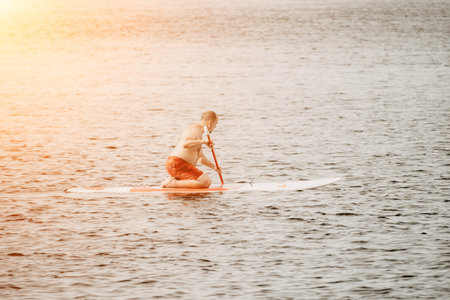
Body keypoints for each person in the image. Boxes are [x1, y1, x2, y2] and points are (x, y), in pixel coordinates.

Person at [160, 111, 222, 188]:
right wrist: (203, 142)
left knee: (205, 181)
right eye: (215, 124)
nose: (215, 127)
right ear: (210, 122)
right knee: (206, 182)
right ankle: (172, 183)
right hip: (177, 163)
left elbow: (200, 158)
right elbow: (185, 144)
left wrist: (214, 167)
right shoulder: (195, 129)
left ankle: (175, 181)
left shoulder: (199, 133)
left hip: (179, 165)